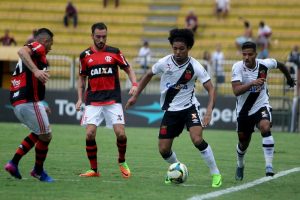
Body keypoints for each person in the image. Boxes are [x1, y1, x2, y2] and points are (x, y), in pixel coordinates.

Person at [125, 28, 222, 188]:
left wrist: (209, 111)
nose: (177, 52)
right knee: (163, 150)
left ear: (188, 48)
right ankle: (177, 168)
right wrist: (136, 95)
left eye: (181, 49)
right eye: (175, 48)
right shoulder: (164, 62)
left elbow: (211, 89)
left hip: (189, 108)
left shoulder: (195, 66)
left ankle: (215, 173)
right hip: (171, 111)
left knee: (197, 139)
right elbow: (149, 74)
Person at [75, 22, 138, 178]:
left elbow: (128, 68)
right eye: (98, 36)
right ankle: (94, 170)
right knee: (89, 134)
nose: (101, 39)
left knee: (121, 134)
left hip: (112, 99)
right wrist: (79, 99)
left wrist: (135, 84)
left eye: (104, 36)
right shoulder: (84, 56)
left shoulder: (115, 52)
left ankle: (122, 161)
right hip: (93, 100)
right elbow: (82, 79)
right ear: (92, 36)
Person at [231, 41, 296, 181]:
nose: (246, 57)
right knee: (243, 142)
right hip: (243, 111)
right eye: (244, 54)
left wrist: (289, 79)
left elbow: (282, 65)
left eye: (250, 54)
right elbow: (236, 91)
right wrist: (251, 83)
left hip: (261, 105)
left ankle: (268, 166)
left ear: (256, 54)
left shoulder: (265, 64)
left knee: (265, 126)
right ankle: (240, 164)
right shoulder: (237, 67)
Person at [4, 28, 54, 182]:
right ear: (45, 41)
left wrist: (40, 104)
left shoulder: (34, 57)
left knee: (39, 133)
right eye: (51, 43)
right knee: (46, 135)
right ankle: (37, 171)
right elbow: (21, 51)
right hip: (28, 102)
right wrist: (37, 71)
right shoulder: (38, 47)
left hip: (20, 103)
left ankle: (14, 163)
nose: (51, 47)